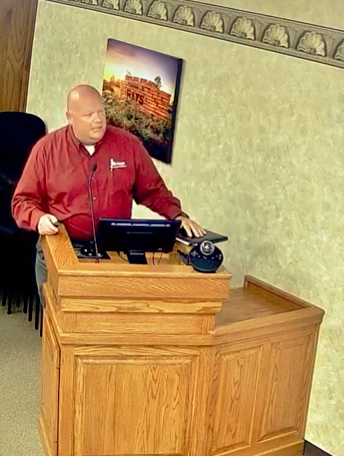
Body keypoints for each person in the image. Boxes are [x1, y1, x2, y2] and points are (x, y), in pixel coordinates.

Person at [11, 84, 206, 305]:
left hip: (114, 253)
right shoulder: (46, 149)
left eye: (101, 111)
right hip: (63, 250)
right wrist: (38, 219)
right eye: (88, 114)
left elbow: (153, 191)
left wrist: (177, 215)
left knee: (106, 327)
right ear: (70, 117)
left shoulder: (128, 146)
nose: (98, 119)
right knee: (62, 330)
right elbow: (22, 201)